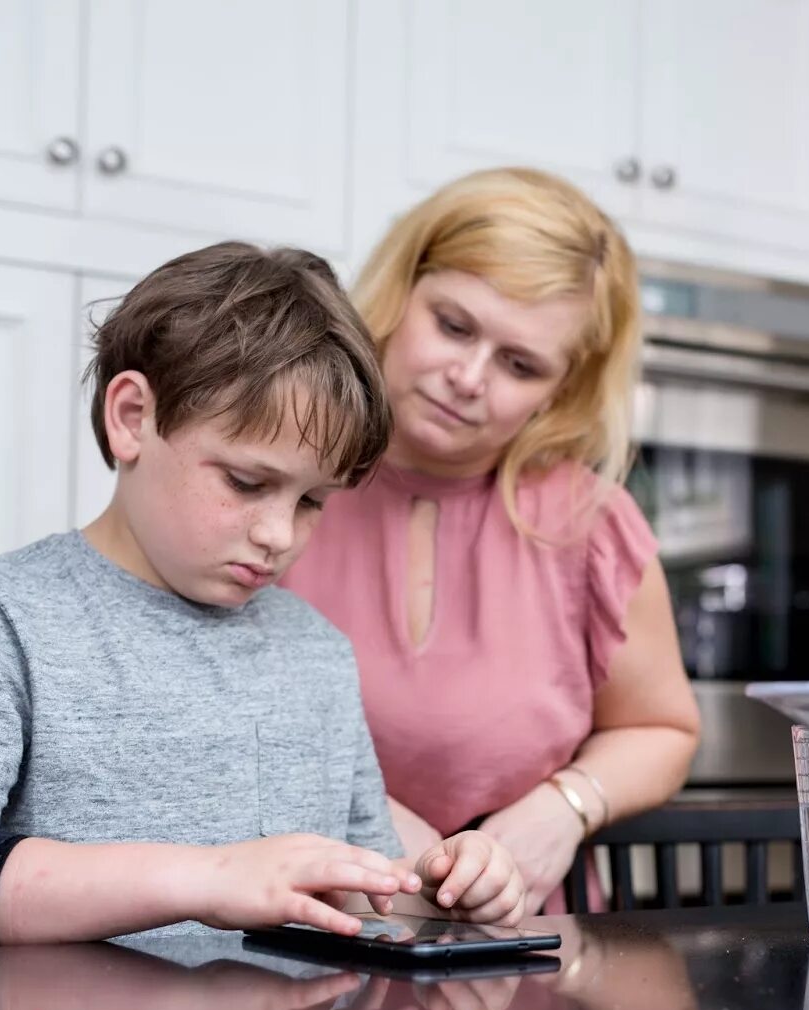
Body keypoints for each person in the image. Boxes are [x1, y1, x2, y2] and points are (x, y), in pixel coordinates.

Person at [0, 242, 526, 950]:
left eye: (313, 502)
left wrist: (449, 893)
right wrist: (207, 878)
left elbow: (363, 893)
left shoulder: (316, 652)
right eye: (245, 483)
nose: (279, 534)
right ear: (132, 417)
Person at [281, 168, 701, 914]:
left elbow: (660, 728)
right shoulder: (277, 474)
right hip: (293, 942)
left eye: (519, 365)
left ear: (562, 389)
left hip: (508, 951)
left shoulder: (592, 528)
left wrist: (565, 806)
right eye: (453, 324)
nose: (467, 377)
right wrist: (366, 813)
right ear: (400, 289)